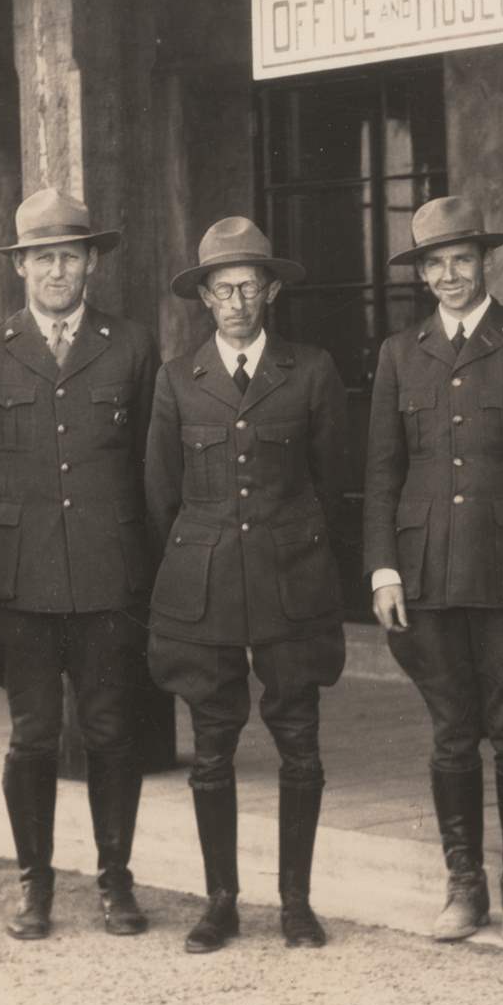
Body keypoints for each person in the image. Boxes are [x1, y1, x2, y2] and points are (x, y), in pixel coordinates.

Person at [363, 196, 503, 943]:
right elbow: (382, 472)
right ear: (421, 275)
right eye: (435, 264)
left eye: (462, 260)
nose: (450, 275)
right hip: (425, 574)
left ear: (484, 262)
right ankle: (465, 882)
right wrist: (383, 570)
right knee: (452, 730)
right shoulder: (400, 353)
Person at [0, 188, 162, 940]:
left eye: (68, 256)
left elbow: (152, 462)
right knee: (32, 735)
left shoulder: (132, 345)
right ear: (21, 268)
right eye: (41, 258)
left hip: (111, 576)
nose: (55, 271)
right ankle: (34, 886)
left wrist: (153, 568)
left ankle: (115, 881)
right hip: (20, 582)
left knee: (111, 730)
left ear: (91, 263)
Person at [144, 217, 349, 952]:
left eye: (248, 286)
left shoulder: (312, 370)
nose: (236, 300)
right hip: (205, 590)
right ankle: (220, 901)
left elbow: (332, 482)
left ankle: (296, 901)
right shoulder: (176, 379)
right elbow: (161, 497)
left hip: (292, 583)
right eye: (221, 288)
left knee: (300, 741)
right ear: (203, 296)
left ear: (270, 291)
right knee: (212, 745)